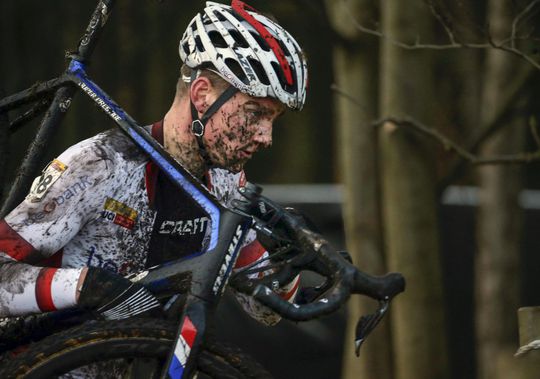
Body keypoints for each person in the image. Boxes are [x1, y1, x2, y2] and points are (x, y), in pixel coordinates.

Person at [0, 0, 308, 328]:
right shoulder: (100, 163)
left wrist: (285, 261)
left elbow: (267, 311)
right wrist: (84, 286)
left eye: (273, 119)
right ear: (202, 94)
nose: (266, 137)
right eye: (255, 113)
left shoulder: (227, 184)